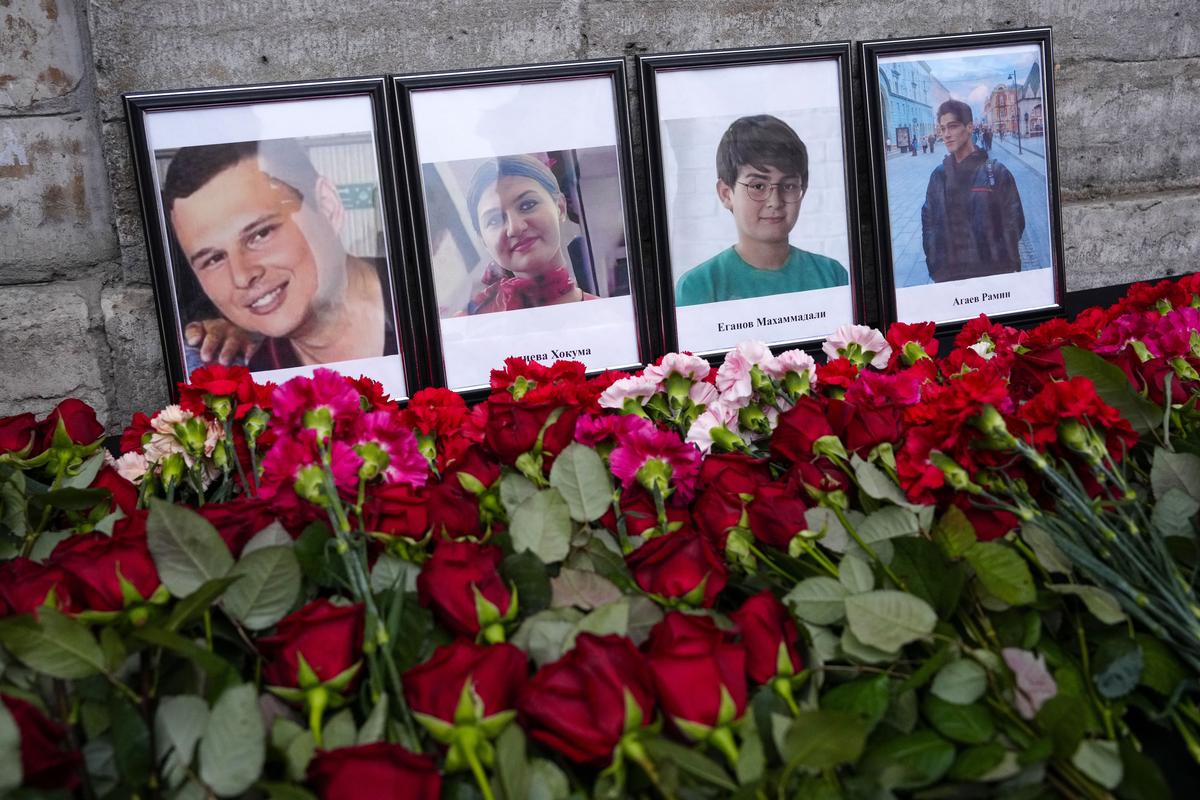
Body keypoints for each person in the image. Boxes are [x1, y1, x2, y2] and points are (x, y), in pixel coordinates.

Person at [163, 139, 397, 371]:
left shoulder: (428, 296)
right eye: (213, 259)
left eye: (260, 234)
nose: (242, 276)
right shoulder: (251, 384)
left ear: (327, 207)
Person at [674, 115, 848, 307]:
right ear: (726, 194)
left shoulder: (832, 276)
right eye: (757, 186)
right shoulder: (698, 287)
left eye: (789, 186)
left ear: (803, 189)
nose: (775, 201)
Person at [461, 154, 597, 315]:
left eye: (527, 205)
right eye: (494, 220)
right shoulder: (468, 327)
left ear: (560, 207)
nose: (515, 228)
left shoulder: (611, 318)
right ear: (483, 240)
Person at [921, 100, 1025, 283]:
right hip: (949, 277)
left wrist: (998, 260)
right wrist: (934, 262)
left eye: (952, 127)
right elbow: (928, 222)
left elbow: (1015, 222)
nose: (946, 135)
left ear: (969, 127)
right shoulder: (938, 176)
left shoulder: (997, 172)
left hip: (991, 276)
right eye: (942, 128)